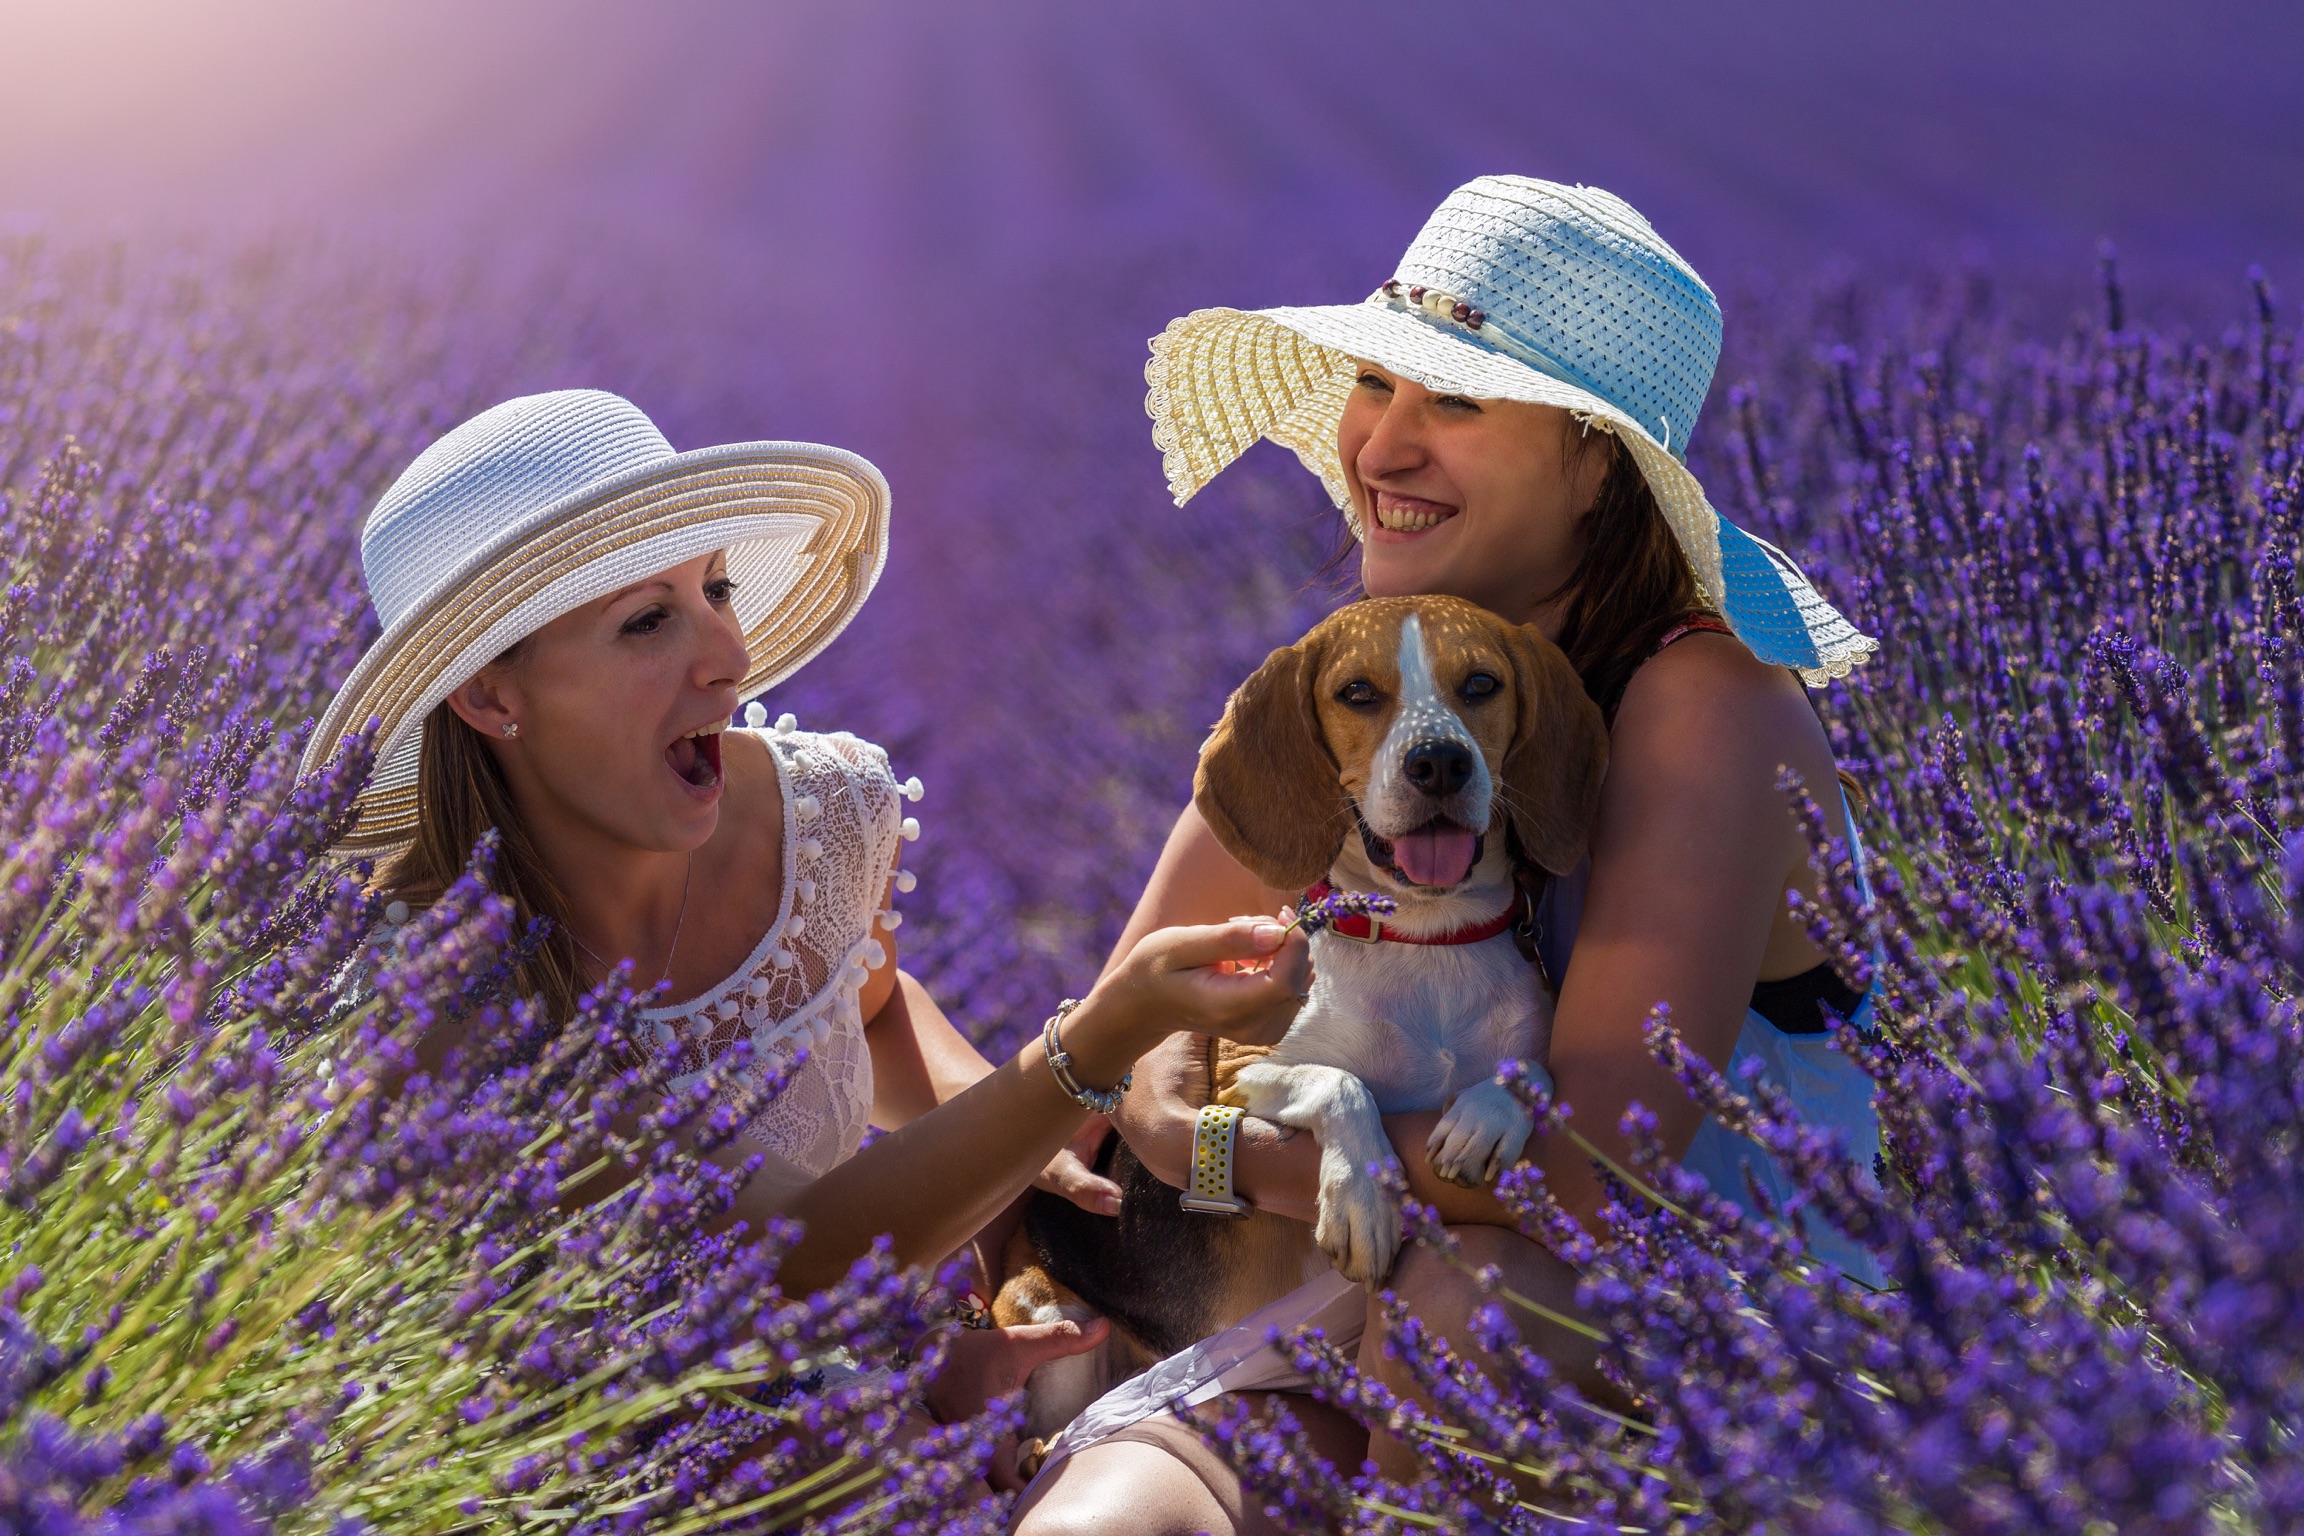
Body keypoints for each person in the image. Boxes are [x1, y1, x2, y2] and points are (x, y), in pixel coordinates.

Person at [1012, 176, 1883, 1534]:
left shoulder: (1707, 708)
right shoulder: (1368, 679)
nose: (1380, 446)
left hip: (1709, 1338)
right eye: (1375, 383)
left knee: (1460, 1305)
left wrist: (1208, 1145)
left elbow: (1587, 1179)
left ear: (1598, 463)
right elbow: (1123, 1030)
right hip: (1367, 1289)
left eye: (1456, 404)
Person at [302, 388, 1312, 1460]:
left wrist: (1008, 1158)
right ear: (493, 700)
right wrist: (1086, 1052)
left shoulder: (821, 816)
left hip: (832, 1402)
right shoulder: (450, 987)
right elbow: (782, 1263)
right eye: (647, 620)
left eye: (716, 589)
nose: (728, 657)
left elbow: (867, 1012)